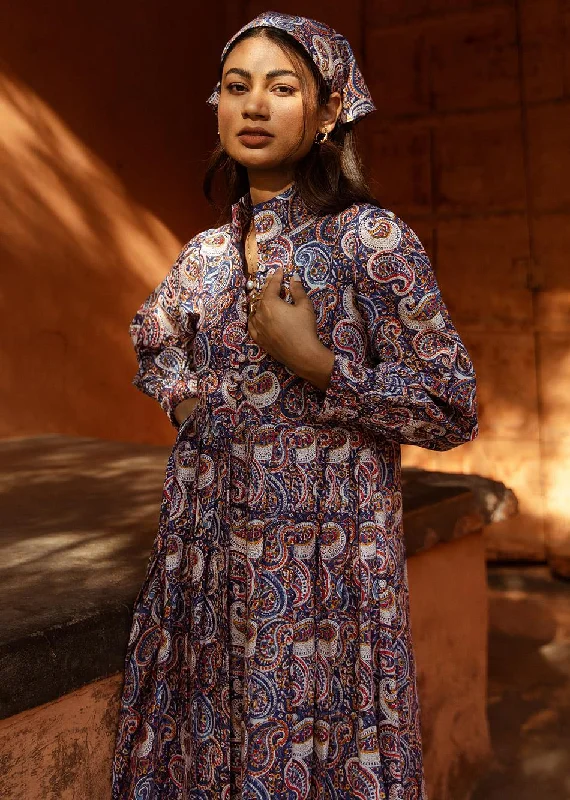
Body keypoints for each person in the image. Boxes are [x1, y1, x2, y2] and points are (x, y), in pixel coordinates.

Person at [111, 11, 478, 800]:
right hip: (204, 558)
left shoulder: (370, 243)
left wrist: (314, 362)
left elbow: (452, 407)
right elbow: (152, 335)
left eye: (283, 88)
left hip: (326, 578)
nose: (253, 106)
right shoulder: (205, 257)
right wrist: (188, 408)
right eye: (236, 87)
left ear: (329, 111)